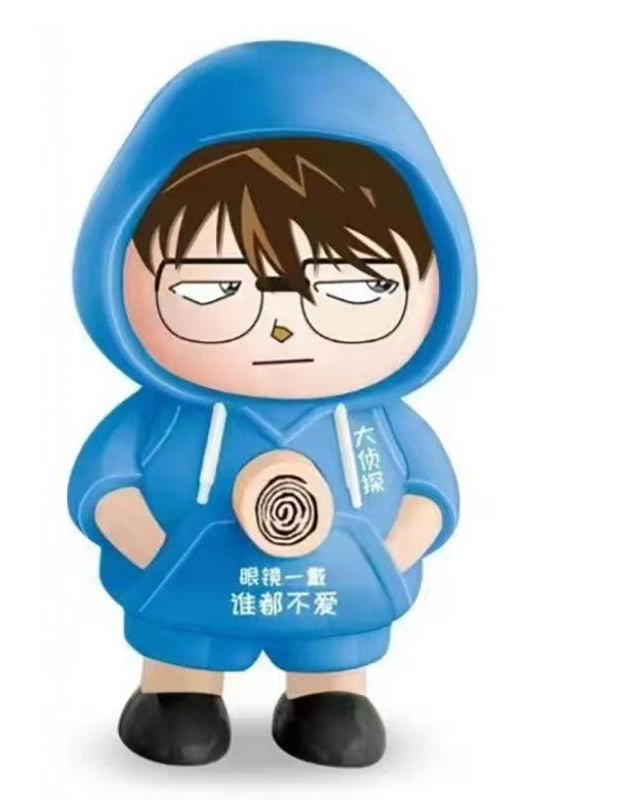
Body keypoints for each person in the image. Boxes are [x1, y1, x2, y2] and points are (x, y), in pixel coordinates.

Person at [69, 41, 476, 768]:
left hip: (337, 594)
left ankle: (329, 695)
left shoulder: (374, 421)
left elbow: (430, 492)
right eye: (212, 285)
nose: (283, 325)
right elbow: (106, 479)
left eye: (352, 284)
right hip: (185, 588)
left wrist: (388, 554)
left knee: (333, 671)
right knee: (183, 659)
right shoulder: (164, 415)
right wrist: (148, 543)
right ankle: (180, 692)